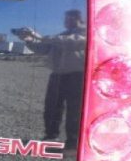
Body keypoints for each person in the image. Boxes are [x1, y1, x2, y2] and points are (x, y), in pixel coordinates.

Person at [17, 10, 86, 147]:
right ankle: (51, 135)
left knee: (74, 109)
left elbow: (71, 42)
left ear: (76, 18)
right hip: (57, 75)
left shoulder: (86, 32)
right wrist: (28, 40)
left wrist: (40, 36)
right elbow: (42, 49)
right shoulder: (61, 35)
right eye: (65, 19)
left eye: (67, 19)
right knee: (52, 107)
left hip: (77, 76)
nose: (65, 22)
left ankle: (73, 141)